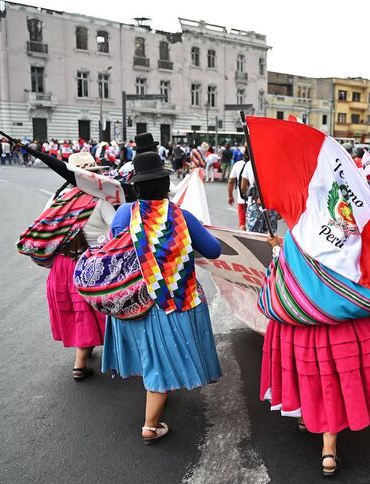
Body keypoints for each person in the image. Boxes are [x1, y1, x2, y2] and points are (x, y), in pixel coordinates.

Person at [102, 151, 223, 444]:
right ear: (166, 183)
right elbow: (214, 250)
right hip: (171, 302)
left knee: (149, 354)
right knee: (159, 363)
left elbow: (116, 245)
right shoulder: (182, 216)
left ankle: (156, 394)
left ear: (137, 187)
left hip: (132, 301)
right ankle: (150, 425)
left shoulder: (123, 213)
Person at [260, 232, 370, 477]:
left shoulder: (297, 233)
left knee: (307, 373)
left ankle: (305, 415)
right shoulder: (354, 233)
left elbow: (288, 274)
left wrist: (278, 249)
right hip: (343, 324)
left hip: (298, 324)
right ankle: (328, 451)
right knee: (331, 382)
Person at [18, 152, 115, 380]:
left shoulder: (56, 200)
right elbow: (117, 230)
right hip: (89, 265)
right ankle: (80, 364)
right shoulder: (98, 201)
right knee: (88, 310)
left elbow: (44, 229)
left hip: (61, 265)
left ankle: (87, 349)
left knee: (77, 311)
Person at [240, 159, 279, 234]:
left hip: (255, 205)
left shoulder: (249, 163)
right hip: (272, 205)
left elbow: (243, 187)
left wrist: (248, 195)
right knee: (270, 236)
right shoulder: (275, 161)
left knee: (253, 236)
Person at [227, 151, 247, 230]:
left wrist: (230, 196)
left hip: (242, 200)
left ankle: (244, 241)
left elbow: (231, 182)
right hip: (256, 202)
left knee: (242, 224)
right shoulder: (257, 163)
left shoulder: (237, 165)